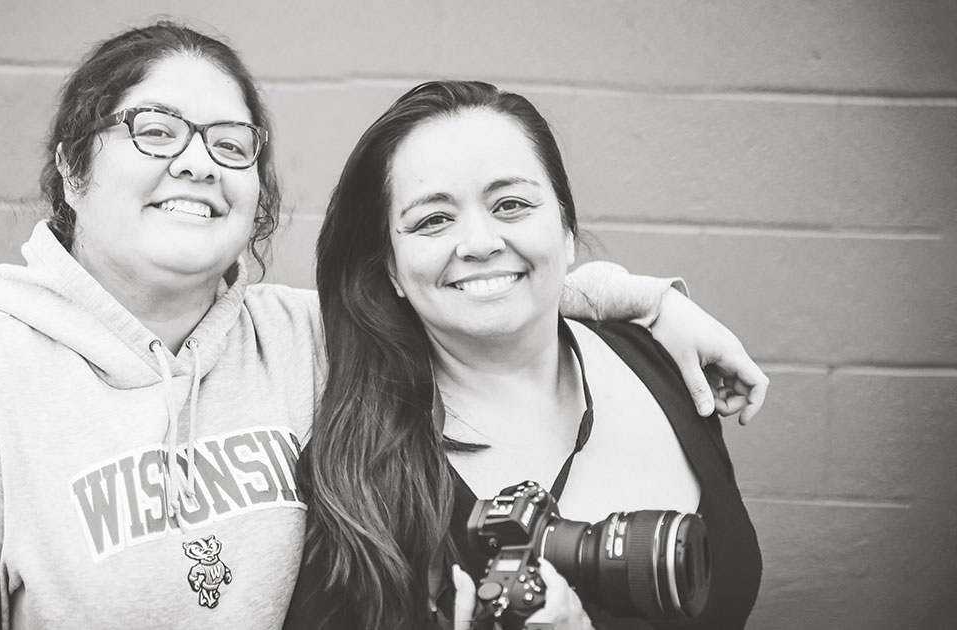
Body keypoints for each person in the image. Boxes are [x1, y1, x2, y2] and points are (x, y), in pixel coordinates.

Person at [0, 22, 764, 630]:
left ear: (256, 193)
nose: (197, 163)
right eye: (155, 130)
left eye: (231, 143)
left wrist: (642, 300)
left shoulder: (302, 340)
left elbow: (472, 291)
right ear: (72, 168)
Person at [287, 81, 762, 630]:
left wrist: (658, 303)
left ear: (565, 229)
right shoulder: (358, 484)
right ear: (392, 267)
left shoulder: (663, 363)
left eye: (511, 205)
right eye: (433, 219)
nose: (480, 242)